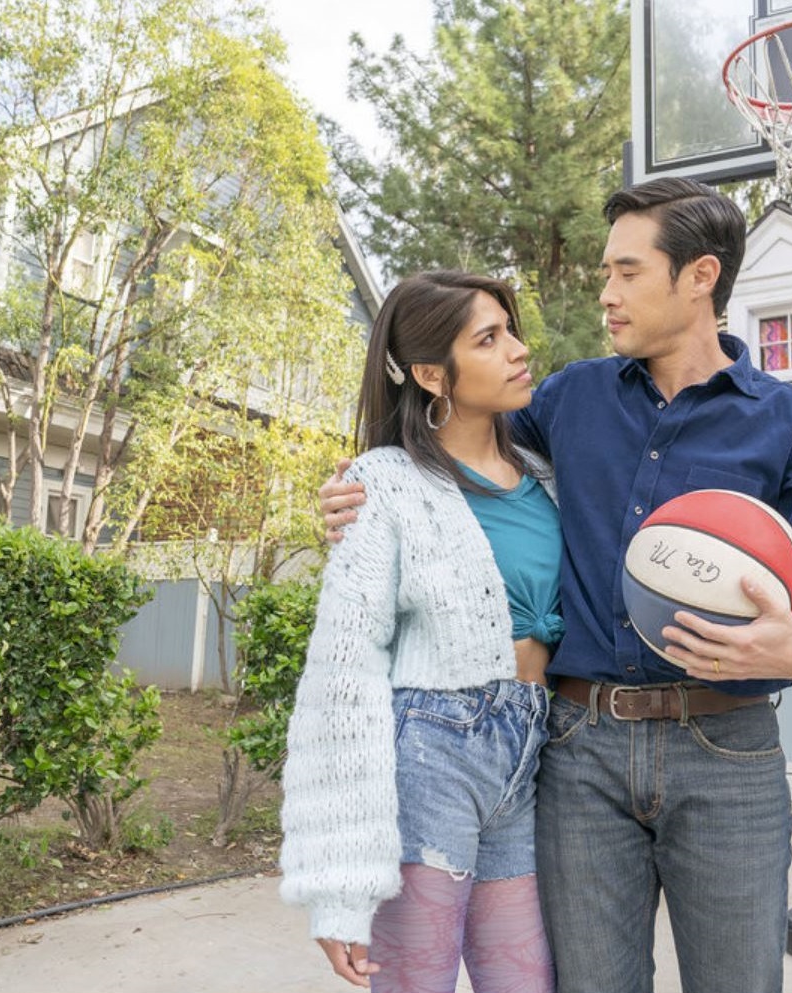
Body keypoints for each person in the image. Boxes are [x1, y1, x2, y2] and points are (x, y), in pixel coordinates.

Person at [318, 179, 792, 993]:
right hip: (578, 747)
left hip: (727, 754)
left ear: (698, 277)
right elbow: (458, 449)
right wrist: (369, 488)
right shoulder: (567, 397)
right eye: (603, 274)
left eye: (625, 271)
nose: (605, 294)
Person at [279, 270, 562, 992]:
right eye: (489, 338)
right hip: (431, 751)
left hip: (527, 753)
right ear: (434, 373)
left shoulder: (542, 476)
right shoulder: (382, 482)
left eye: (512, 330)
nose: (518, 350)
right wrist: (340, 890)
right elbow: (342, 670)